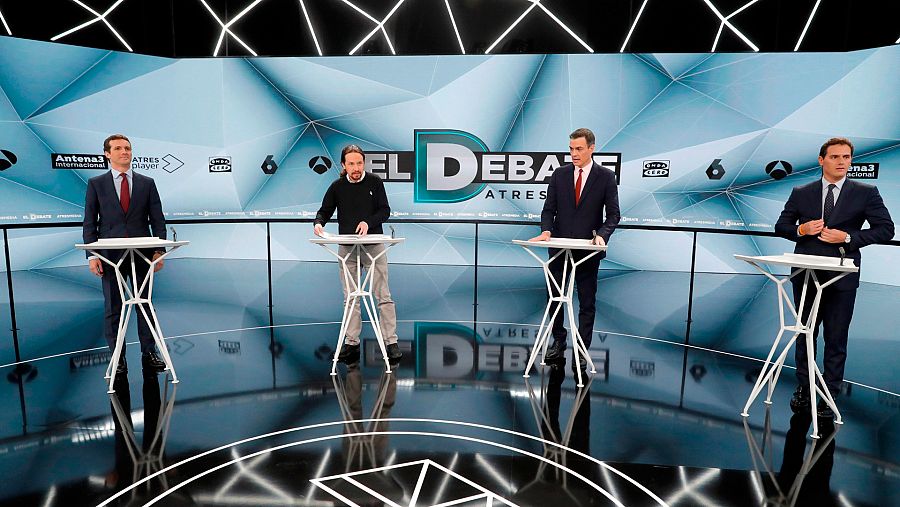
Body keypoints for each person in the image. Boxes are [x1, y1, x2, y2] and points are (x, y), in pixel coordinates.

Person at [775, 137, 894, 418]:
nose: (842, 162)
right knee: (806, 333)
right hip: (805, 272)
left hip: (842, 275)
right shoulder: (801, 191)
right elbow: (782, 226)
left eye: (847, 157)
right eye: (835, 157)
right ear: (822, 160)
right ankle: (804, 386)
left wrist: (850, 237)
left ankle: (829, 393)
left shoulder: (866, 192)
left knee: (836, 337)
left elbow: (885, 229)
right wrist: (801, 230)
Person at [530, 128, 620, 370]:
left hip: (587, 251)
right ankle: (558, 342)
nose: (574, 154)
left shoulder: (605, 177)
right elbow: (549, 210)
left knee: (587, 301)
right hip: (559, 248)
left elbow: (613, 215)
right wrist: (547, 231)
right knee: (555, 298)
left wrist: (601, 235)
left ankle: (582, 348)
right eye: (571, 149)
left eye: (579, 149)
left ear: (591, 148)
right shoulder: (559, 175)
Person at [83, 134, 168, 375]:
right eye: (118, 148)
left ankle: (149, 352)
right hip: (110, 256)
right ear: (107, 154)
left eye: (128, 148)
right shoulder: (96, 184)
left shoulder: (147, 182)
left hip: (142, 256)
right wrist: (92, 255)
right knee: (113, 306)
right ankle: (117, 356)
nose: (125, 152)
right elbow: (90, 223)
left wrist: (159, 250)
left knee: (145, 305)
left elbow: (157, 219)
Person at [314, 144, 401, 364]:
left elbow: (385, 211)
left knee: (383, 295)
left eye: (359, 163)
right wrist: (318, 223)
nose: (356, 167)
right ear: (343, 165)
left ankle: (390, 343)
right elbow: (324, 211)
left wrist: (368, 222)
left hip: (373, 245)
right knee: (350, 297)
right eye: (351, 163)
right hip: (348, 248)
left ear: (364, 163)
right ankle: (351, 344)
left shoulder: (375, 182)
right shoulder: (337, 187)